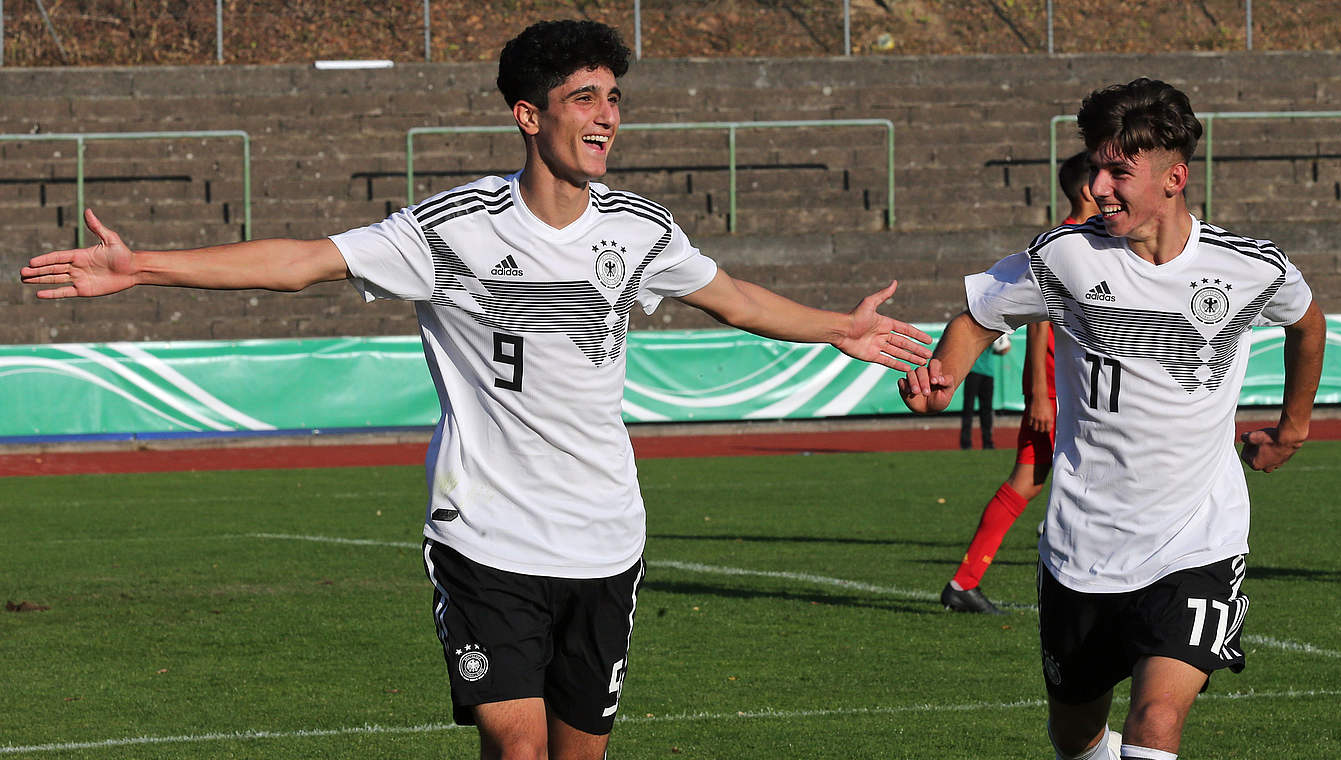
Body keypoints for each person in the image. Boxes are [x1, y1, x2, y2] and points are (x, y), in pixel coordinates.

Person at [21, 20, 933, 760]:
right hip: (486, 535)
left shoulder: (641, 228)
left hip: (606, 537)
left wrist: (840, 328)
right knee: (518, 747)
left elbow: (731, 297)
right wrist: (144, 268)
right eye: (585, 98)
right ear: (529, 116)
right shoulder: (454, 226)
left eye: (614, 97)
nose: (607, 114)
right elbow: (304, 262)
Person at [899, 78, 1325, 759]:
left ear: (1173, 178)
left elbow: (1308, 323)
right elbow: (977, 317)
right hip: (1083, 546)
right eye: (1096, 167)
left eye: (1117, 171)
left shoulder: (1247, 268)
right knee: (1075, 735)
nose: (1098, 187)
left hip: (1198, 542)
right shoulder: (1065, 257)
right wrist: (942, 379)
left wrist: (1294, 426)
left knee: (1156, 725)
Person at [940, 151, 1099, 614]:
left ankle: (966, 582)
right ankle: (969, 580)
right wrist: (1038, 394)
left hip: (1079, 392)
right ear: (1088, 189)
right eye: (1104, 176)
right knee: (1029, 481)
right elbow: (1038, 322)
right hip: (1059, 394)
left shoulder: (1096, 241)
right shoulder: (1065, 242)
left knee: (1031, 482)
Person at [958, 333, 1010, 449]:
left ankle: (975, 443)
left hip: (981, 372)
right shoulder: (989, 332)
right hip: (977, 372)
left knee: (975, 409)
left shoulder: (989, 331)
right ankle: (983, 443)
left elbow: (1003, 349)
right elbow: (1003, 349)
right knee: (975, 409)